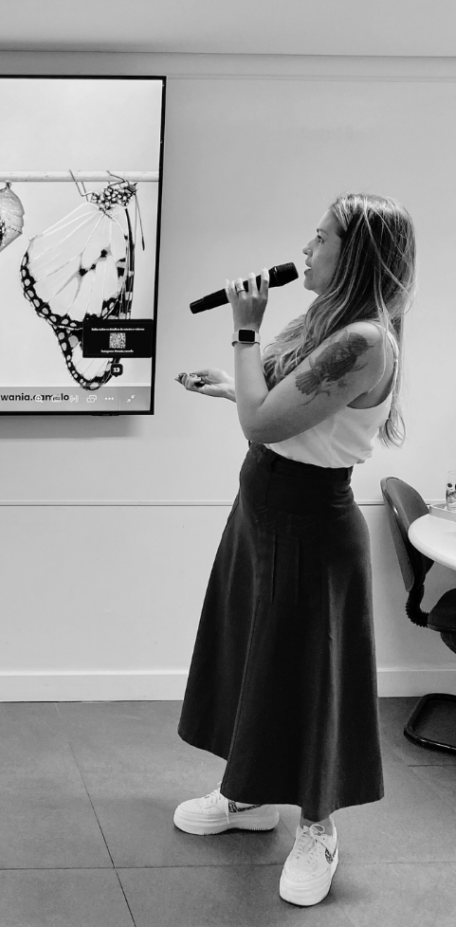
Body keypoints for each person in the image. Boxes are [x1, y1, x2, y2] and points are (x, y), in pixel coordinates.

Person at [173, 193, 416, 907]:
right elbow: (276, 412)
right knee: (254, 654)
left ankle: (318, 828)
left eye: (320, 239)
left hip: (311, 521)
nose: (305, 251)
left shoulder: (364, 340)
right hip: (264, 508)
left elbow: (262, 424)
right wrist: (235, 386)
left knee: (310, 674)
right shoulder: (324, 320)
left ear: (357, 254)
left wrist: (245, 333)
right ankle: (248, 795)